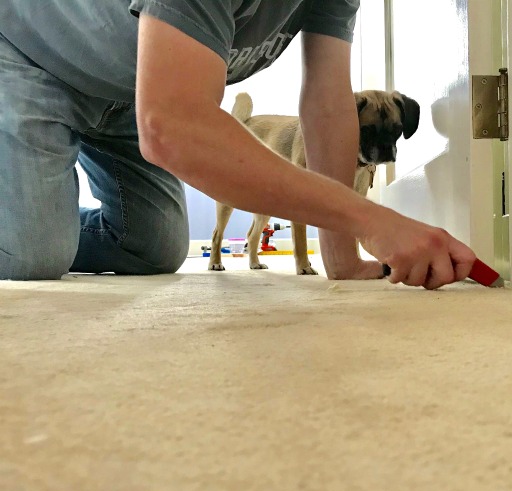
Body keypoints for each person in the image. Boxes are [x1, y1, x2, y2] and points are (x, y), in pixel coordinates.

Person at [0, 0, 476, 289]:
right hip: (32, 62)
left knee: (154, 248)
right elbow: (172, 127)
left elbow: (328, 102)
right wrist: (372, 218)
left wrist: (343, 256)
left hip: (128, 93)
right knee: (34, 258)